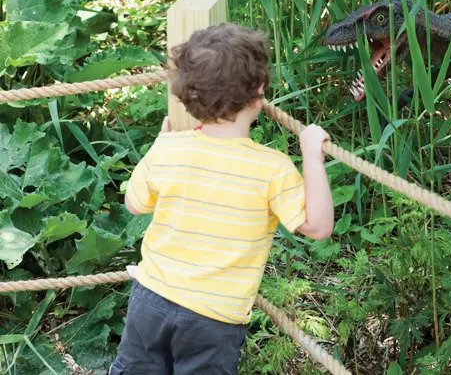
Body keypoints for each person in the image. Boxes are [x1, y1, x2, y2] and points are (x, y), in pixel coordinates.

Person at [109, 23, 334, 375]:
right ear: (259, 91)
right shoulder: (271, 167)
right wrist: (311, 156)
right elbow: (318, 227)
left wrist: (158, 146)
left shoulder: (168, 147)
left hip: (150, 301)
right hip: (213, 320)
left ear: (186, 92)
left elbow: (135, 205)